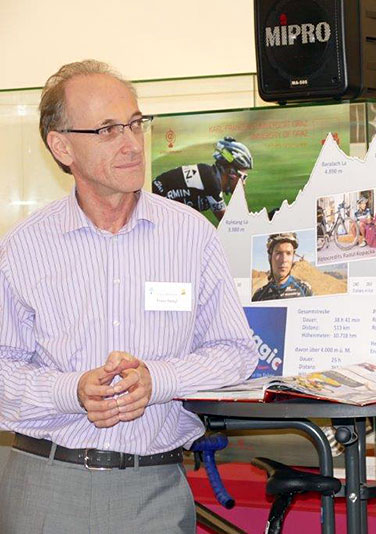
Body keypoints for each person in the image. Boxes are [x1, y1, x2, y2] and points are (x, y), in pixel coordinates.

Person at [0, 60, 258, 533]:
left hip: (154, 491)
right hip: (46, 487)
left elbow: (235, 352)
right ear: (62, 147)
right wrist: (72, 391)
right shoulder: (23, 248)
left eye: (136, 123)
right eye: (108, 130)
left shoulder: (192, 237)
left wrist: (158, 380)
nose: (132, 143)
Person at [152, 136, 253, 222]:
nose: (244, 183)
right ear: (231, 172)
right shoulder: (211, 181)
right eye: (243, 177)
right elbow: (227, 223)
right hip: (155, 204)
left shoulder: (210, 176)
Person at [252, 232, 313, 301]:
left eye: (288, 253)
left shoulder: (304, 290)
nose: (284, 260)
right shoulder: (258, 296)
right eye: (278, 253)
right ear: (270, 257)